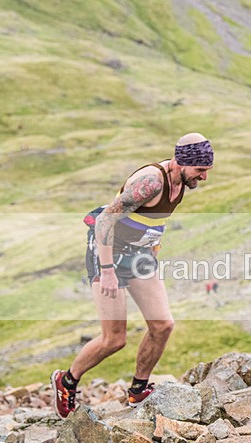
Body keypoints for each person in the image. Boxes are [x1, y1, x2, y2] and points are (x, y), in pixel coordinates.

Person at [51, 133, 214, 419]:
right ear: (181, 162)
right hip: (108, 252)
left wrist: (153, 250)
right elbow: (104, 221)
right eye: (200, 171)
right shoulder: (151, 182)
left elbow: (153, 220)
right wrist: (107, 271)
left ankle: (138, 389)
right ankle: (67, 381)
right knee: (114, 339)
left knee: (163, 324)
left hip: (139, 254)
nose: (204, 178)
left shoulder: (181, 182)